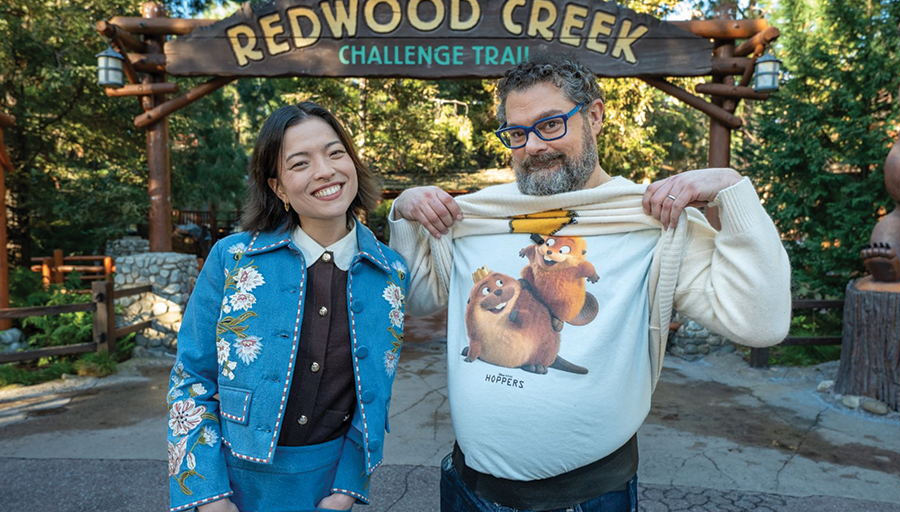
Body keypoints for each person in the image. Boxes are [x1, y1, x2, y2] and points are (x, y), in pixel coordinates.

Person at [388, 54, 791, 511]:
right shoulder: (476, 216)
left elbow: (761, 324)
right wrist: (405, 214)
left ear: (594, 116)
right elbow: (417, 299)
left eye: (551, 124)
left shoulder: (649, 220)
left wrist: (732, 190)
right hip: (469, 487)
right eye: (517, 133)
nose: (533, 146)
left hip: (588, 496)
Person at [167, 102, 409, 512]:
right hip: (229, 483)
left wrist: (346, 490)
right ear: (278, 188)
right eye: (300, 163)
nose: (325, 171)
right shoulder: (232, 259)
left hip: (327, 486)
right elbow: (191, 377)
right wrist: (209, 496)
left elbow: (376, 391)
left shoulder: (390, 272)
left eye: (335, 153)